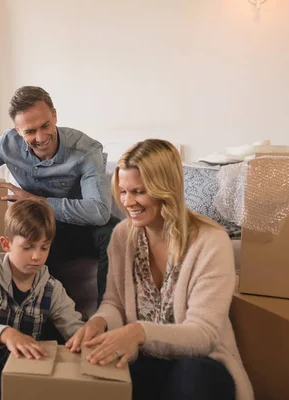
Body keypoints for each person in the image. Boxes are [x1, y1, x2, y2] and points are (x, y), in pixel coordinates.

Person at [65, 139, 254, 400]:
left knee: (192, 375)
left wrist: (137, 332)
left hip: (203, 365)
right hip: (144, 359)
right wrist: (99, 321)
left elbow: (204, 335)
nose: (128, 202)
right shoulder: (123, 235)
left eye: (139, 191)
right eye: (123, 191)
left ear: (166, 188)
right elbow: (114, 303)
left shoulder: (211, 241)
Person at [0, 86, 119, 312]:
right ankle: (36, 321)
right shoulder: (8, 144)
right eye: (30, 132)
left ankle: (105, 319)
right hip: (39, 230)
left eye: (45, 126)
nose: (41, 138)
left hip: (80, 228)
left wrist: (36, 200)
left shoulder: (85, 149)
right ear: (18, 130)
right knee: (25, 237)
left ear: (54, 115)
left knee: (114, 232)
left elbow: (99, 211)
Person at [0, 199, 84, 400]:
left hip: (27, 368)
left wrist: (88, 341)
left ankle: (21, 392)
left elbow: (73, 325)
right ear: (6, 244)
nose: (36, 256)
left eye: (44, 248)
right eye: (27, 248)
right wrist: (5, 334)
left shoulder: (51, 287)